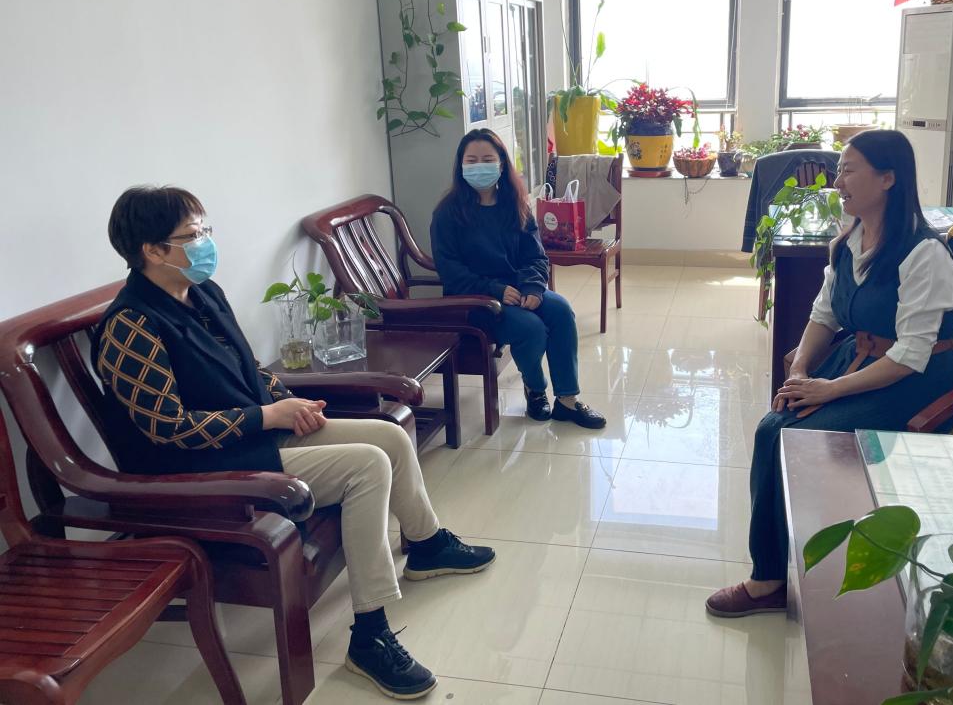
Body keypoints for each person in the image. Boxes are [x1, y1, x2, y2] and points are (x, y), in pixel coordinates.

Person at [92, 185, 496, 701]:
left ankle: (426, 544)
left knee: (391, 435)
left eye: (205, 230)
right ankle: (370, 636)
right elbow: (167, 428)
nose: (205, 243)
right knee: (367, 466)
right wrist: (266, 415)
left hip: (251, 433)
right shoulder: (131, 325)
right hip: (203, 468)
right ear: (152, 250)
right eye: (192, 235)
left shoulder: (200, 293)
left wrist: (289, 403)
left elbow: (249, 370)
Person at [705, 130, 953, 617]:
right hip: (861, 361)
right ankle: (771, 572)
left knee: (790, 434)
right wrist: (802, 368)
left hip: (915, 382)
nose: (838, 181)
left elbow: (910, 355)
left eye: (849, 170)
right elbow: (823, 315)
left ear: (888, 179)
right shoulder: (850, 242)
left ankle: (774, 578)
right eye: (840, 171)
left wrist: (828, 389)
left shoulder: (923, 254)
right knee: (772, 425)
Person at [429, 128, 606, 430]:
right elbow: (451, 272)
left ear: (501, 164)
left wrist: (533, 287)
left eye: (488, 159)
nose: (479, 166)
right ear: (460, 166)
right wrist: (495, 289)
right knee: (530, 327)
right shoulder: (447, 214)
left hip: (518, 288)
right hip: (475, 301)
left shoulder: (516, 205)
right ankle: (535, 389)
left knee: (561, 310)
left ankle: (567, 399)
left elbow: (535, 255)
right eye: (471, 160)